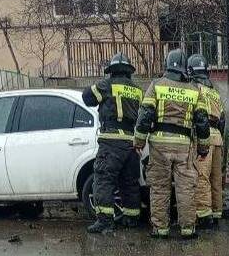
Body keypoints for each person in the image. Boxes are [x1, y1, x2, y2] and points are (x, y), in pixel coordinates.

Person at [133, 49, 211, 239]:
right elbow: (202, 121)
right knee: (186, 188)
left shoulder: (156, 85)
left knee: (160, 187)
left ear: (167, 64)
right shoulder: (194, 90)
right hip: (184, 146)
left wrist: (139, 141)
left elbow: (145, 115)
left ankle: (160, 229)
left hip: (159, 144)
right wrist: (203, 148)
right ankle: (187, 229)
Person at [82, 52, 144, 233]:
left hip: (111, 142)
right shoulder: (138, 90)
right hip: (131, 142)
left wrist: (100, 83)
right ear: (129, 71)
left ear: (111, 70)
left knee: (104, 180)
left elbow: (87, 98)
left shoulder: (106, 85)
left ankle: (105, 222)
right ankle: (131, 218)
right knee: (129, 181)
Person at [187, 54, 225, 228]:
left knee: (201, 176)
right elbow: (222, 119)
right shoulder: (214, 92)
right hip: (217, 138)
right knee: (216, 178)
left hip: (204, 137)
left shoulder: (195, 89)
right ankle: (217, 212)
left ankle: (203, 215)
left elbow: (196, 116)